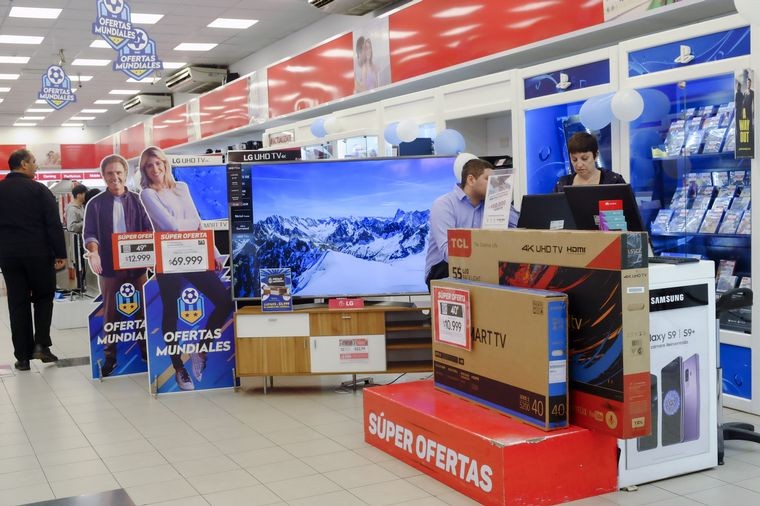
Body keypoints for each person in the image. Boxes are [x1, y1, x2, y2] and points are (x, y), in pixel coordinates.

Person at [138, 146, 230, 391]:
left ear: (165, 164)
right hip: (169, 256)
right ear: (144, 170)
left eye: (158, 163)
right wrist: (185, 225)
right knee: (171, 313)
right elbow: (171, 227)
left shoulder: (182, 187)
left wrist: (215, 254)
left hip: (194, 252)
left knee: (224, 301)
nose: (155, 169)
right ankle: (179, 367)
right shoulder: (147, 194)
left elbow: (198, 224)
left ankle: (202, 350)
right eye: (149, 165)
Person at [83, 155, 153, 376]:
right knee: (111, 313)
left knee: (143, 311)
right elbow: (90, 233)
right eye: (110, 173)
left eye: (118, 172)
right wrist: (94, 252)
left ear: (125, 173)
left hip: (137, 266)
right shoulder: (95, 204)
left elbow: (147, 230)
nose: (115, 177)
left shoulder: (139, 201)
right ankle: (110, 357)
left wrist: (151, 254)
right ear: (103, 176)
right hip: (110, 267)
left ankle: (146, 353)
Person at [0, 149, 66, 370]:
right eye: (34, 162)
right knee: (44, 297)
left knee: (17, 303)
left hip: (9, 256)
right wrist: (60, 253)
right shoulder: (39, 190)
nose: (37, 166)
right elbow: (53, 224)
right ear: (23, 164)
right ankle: (41, 345)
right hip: (39, 254)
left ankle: (22, 357)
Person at [424, 158, 493, 288]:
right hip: (444, 270)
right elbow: (448, 253)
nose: (493, 185)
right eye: (488, 179)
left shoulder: (490, 205)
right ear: (471, 180)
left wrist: (504, 200)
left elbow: (517, 229)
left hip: (479, 270)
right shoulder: (444, 204)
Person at [553, 132, 625, 192]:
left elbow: (627, 204)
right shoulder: (562, 184)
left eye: (584, 158)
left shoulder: (614, 181)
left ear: (596, 156)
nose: (579, 165)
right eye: (574, 159)